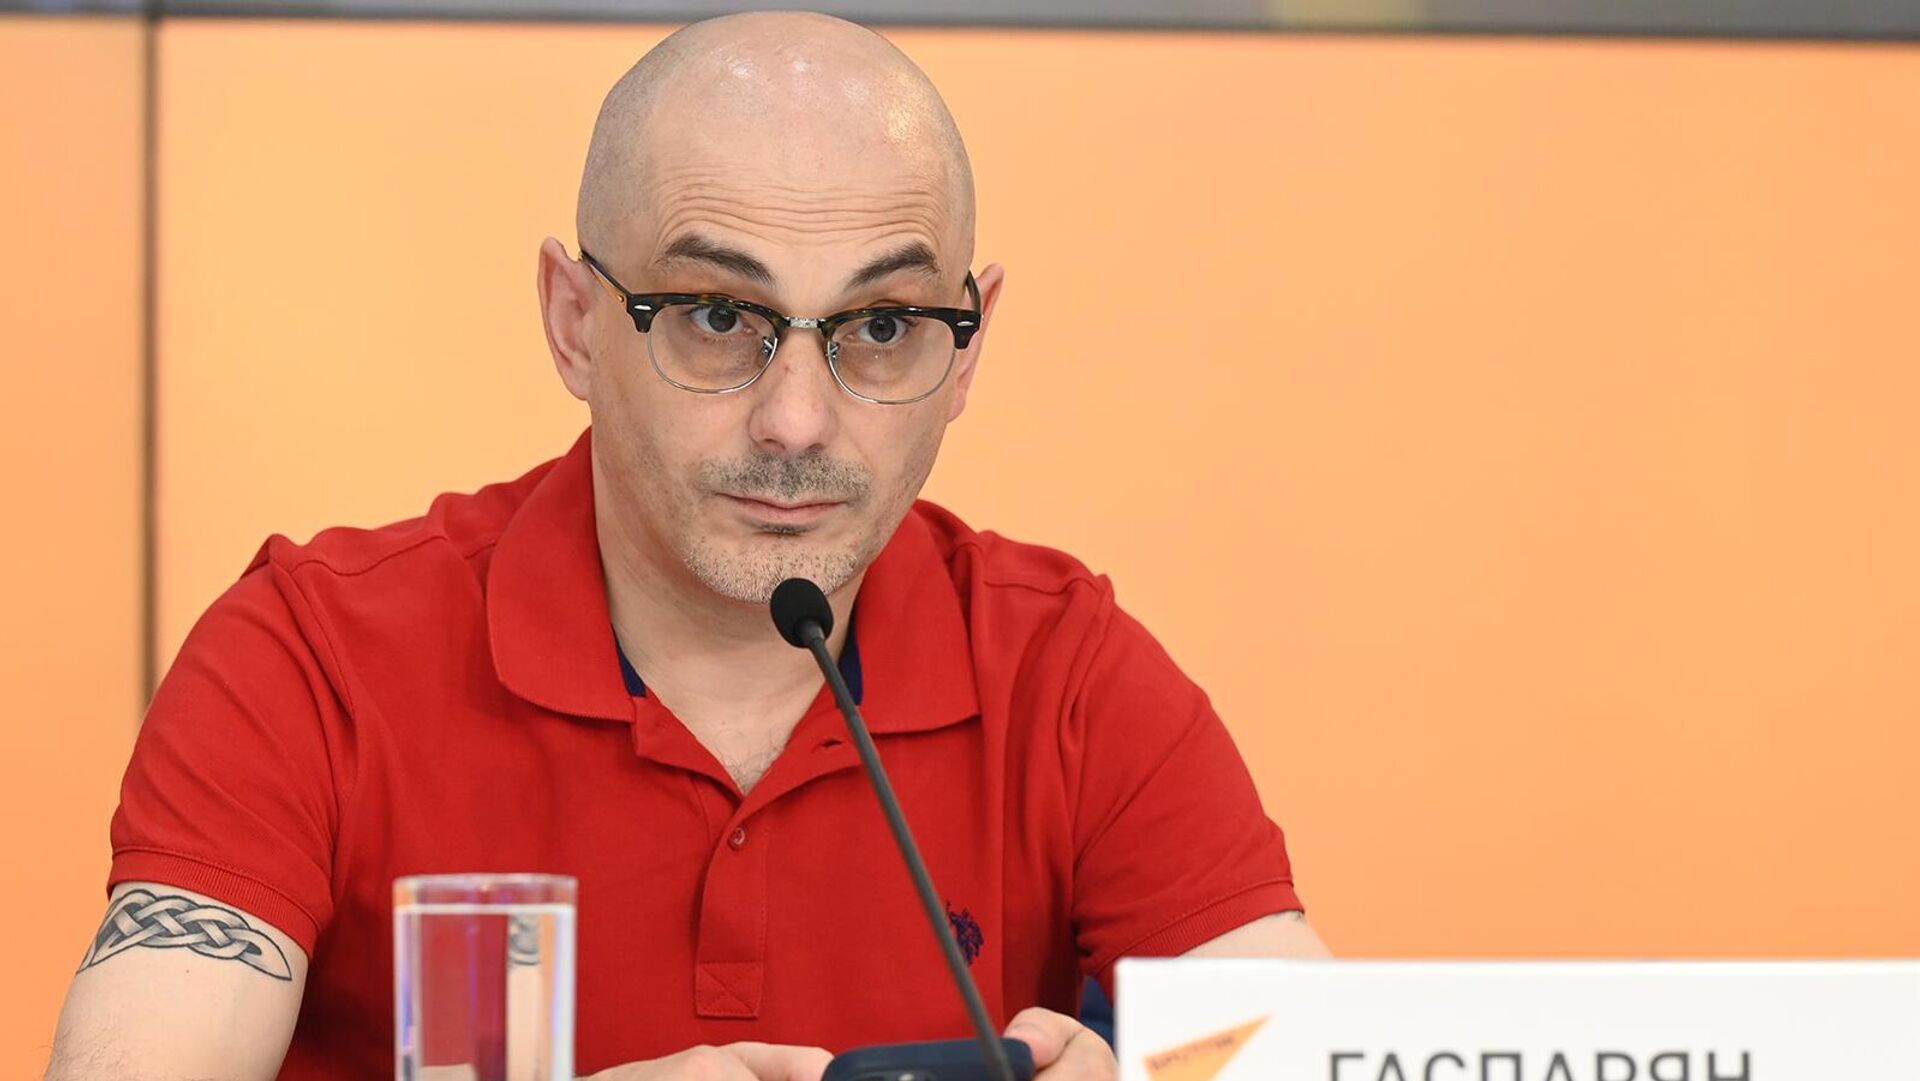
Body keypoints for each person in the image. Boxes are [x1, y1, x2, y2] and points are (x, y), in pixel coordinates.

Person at [45, 11, 1328, 1081]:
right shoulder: (313, 655)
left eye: (884, 327)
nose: (797, 421)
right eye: (717, 315)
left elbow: (1305, 1046)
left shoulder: (1068, 673)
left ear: (967, 347)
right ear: (573, 322)